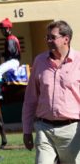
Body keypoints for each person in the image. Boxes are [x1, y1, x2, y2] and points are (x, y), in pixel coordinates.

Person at [22, 20, 80, 164]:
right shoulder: (39, 61)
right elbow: (30, 98)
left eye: (52, 37)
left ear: (66, 39)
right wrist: (27, 130)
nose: (48, 40)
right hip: (44, 129)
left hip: (72, 130)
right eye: (46, 37)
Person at [0, 18, 21, 99]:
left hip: (13, 61)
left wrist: (1, 54)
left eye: (3, 29)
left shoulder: (10, 39)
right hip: (13, 61)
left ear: (8, 29)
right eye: (1, 30)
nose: (2, 32)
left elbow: (11, 52)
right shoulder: (11, 38)